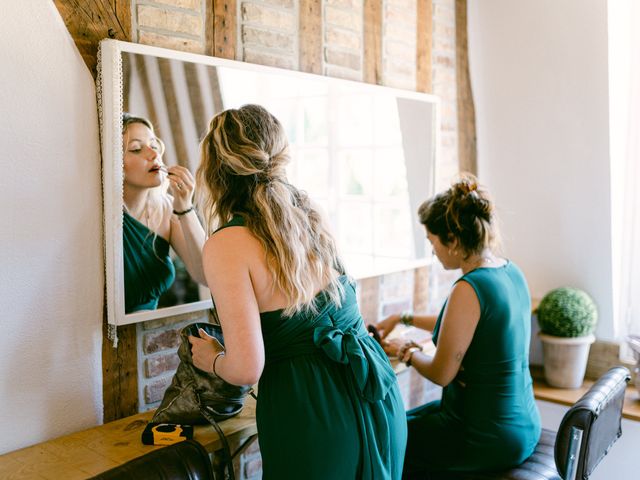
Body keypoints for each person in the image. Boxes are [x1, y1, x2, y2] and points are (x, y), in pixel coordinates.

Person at [188, 104, 407, 479]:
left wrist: (209, 357)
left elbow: (244, 367)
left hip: (310, 410)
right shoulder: (309, 217)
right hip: (376, 395)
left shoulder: (226, 245)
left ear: (216, 169)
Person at [376, 175, 541, 477]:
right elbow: (463, 324)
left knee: (386, 437)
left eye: (432, 241)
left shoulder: (469, 287)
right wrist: (402, 318)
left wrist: (407, 351)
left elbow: (441, 373)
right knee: (400, 421)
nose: (433, 250)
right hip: (525, 425)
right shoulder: (509, 271)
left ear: (452, 239)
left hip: (485, 436)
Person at [122, 113, 206, 313]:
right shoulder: (100, 216)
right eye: (136, 148)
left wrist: (185, 206)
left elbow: (206, 274)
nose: (153, 154)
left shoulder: (166, 208)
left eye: (154, 145)